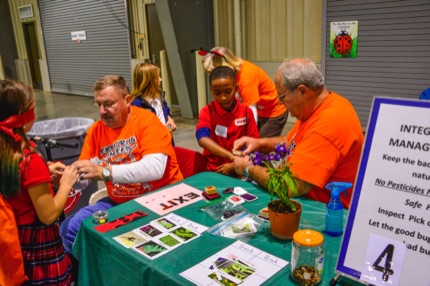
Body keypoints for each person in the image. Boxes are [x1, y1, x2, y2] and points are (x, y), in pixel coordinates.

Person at [60, 75, 183, 254]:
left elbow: (156, 168)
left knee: (147, 248)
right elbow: (86, 175)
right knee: (69, 228)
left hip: (162, 199)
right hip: (119, 202)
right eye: (98, 104)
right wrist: (66, 179)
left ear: (127, 100)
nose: (102, 111)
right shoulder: (95, 131)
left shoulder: (146, 121)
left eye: (108, 104)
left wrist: (106, 173)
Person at [232, 58, 364, 209]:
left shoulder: (328, 124)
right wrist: (259, 143)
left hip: (319, 211)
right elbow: (292, 142)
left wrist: (248, 168)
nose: (280, 103)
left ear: (302, 91)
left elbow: (290, 186)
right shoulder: (316, 107)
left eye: (282, 97)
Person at [0, 79, 79, 285]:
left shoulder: (7, 153)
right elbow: (49, 214)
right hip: (37, 245)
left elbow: (16, 183)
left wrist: (43, 173)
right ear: (22, 116)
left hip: (15, 237)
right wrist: (66, 184)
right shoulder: (29, 159)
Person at [201, 46, 288, 138]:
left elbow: (250, 111)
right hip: (261, 111)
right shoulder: (234, 73)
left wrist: (249, 137)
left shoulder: (246, 78)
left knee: (260, 146)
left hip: (274, 111)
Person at [196, 66, 259, 176]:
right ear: (211, 91)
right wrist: (230, 156)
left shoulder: (246, 112)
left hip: (239, 169)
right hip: (214, 169)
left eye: (227, 91)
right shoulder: (207, 112)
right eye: (217, 93)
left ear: (236, 88)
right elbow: (202, 138)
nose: (223, 98)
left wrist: (234, 165)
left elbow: (253, 145)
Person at [131, 62, 176, 132]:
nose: (160, 79)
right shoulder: (137, 104)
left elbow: (166, 110)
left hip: (166, 139)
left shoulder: (159, 96)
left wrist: (170, 119)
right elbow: (139, 128)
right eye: (157, 77)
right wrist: (160, 130)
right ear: (148, 81)